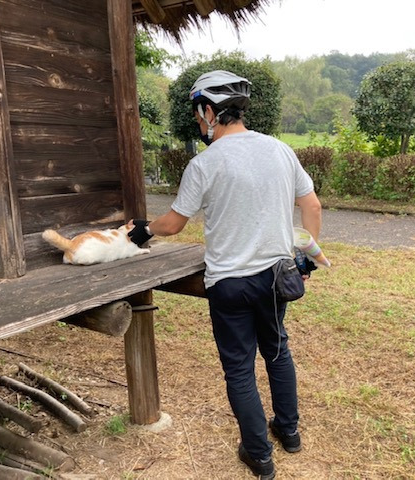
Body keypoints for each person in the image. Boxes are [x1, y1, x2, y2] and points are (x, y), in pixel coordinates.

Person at [128, 70, 322, 479]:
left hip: (230, 284)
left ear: (209, 111)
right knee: (277, 352)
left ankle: (259, 456)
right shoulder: (280, 150)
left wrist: (143, 229)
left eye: (200, 115)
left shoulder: (204, 163)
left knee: (239, 369)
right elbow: (312, 205)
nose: (199, 123)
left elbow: (174, 223)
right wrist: (306, 259)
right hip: (276, 278)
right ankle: (289, 434)